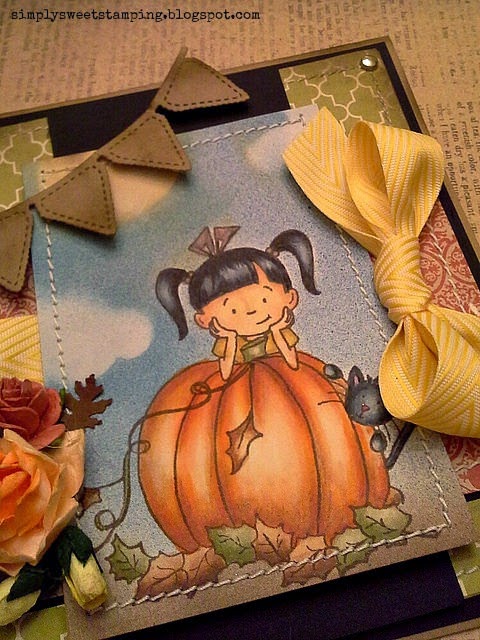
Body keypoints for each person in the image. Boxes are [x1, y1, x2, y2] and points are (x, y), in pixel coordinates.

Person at [155, 226, 319, 380]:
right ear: (203, 320)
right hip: (240, 386)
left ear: (290, 298)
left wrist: (276, 331)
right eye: (233, 310)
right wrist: (231, 339)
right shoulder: (229, 341)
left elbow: (292, 364)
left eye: (263, 300)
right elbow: (226, 375)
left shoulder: (279, 333)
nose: (250, 311)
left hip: (282, 379)